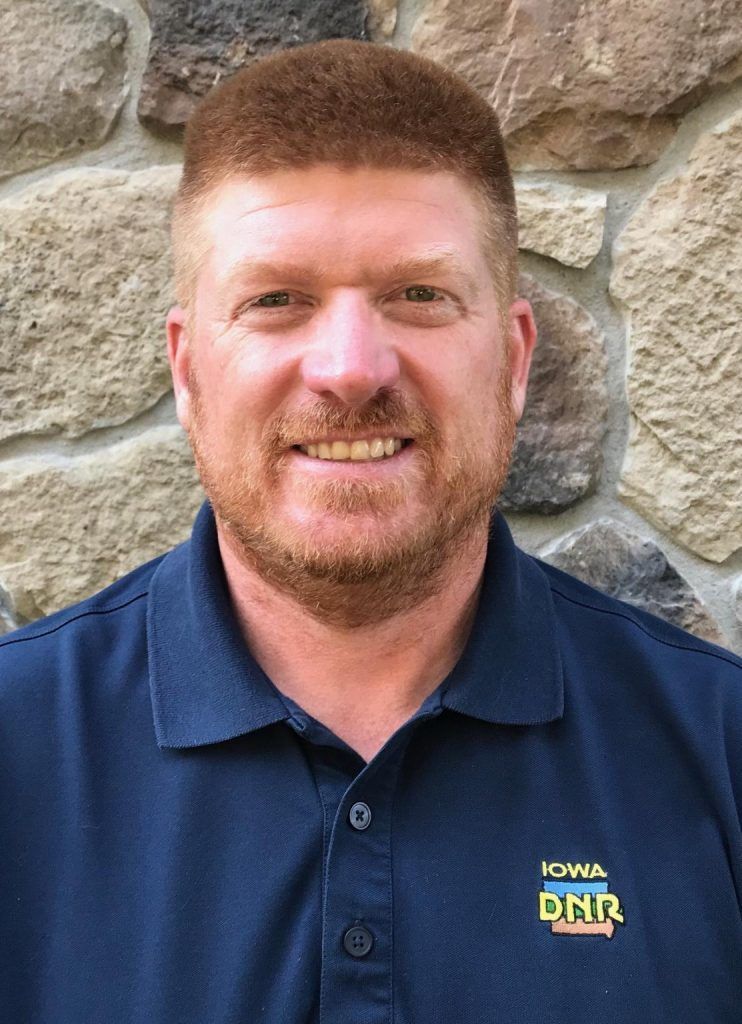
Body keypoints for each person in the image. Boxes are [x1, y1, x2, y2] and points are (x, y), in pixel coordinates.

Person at [1, 38, 740, 1024]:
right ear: (186, 371)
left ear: (515, 361)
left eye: (418, 296)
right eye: (276, 301)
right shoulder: (18, 754)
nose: (349, 367)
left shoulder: (718, 753)